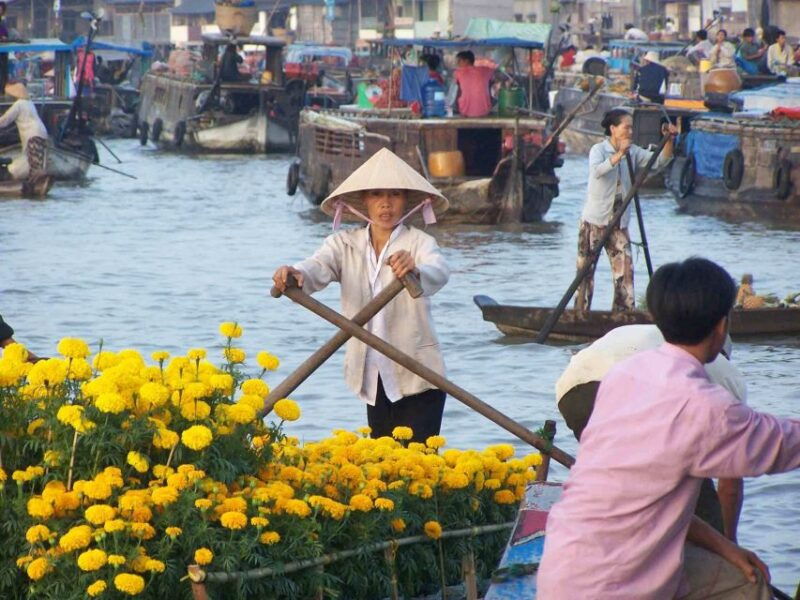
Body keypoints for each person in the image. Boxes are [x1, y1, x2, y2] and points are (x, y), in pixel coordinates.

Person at [539, 257, 800, 598]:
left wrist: (725, 547)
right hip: (614, 585)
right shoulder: (705, 406)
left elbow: (648, 500)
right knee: (751, 589)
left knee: (734, 575)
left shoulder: (626, 374)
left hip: (562, 566)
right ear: (721, 326)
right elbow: (783, 444)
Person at [271, 148, 450, 443]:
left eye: (394, 194)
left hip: (420, 375)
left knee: (421, 468)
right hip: (373, 375)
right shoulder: (344, 244)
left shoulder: (419, 242)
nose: (386, 204)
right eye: (377, 195)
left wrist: (414, 270)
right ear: (365, 201)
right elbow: (318, 266)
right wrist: (296, 272)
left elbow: (439, 271)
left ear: (405, 200)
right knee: (381, 463)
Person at [556, 324, 747, 541]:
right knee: (700, 508)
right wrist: (729, 542)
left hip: (572, 393)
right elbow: (730, 483)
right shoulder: (725, 374)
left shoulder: (653, 336)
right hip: (624, 391)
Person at [574, 109, 675, 312]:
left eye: (631, 127)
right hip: (594, 221)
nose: (630, 131)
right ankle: (580, 313)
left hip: (619, 223)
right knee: (585, 273)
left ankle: (623, 315)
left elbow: (659, 161)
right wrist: (619, 155)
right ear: (613, 129)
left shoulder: (634, 151)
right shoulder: (599, 150)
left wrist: (669, 139)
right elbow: (597, 172)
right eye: (626, 127)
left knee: (625, 273)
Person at [0, 82, 48, 180]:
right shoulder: (29, 103)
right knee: (37, 164)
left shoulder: (18, 104)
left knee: (34, 165)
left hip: (33, 135)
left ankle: (33, 185)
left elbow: (5, 120)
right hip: (42, 133)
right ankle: (34, 184)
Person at [453, 51, 494, 118]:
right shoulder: (486, 70)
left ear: (466, 61)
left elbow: (459, 91)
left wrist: (456, 107)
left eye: (459, 61)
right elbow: (490, 83)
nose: (457, 63)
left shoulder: (458, 73)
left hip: (465, 111)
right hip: (485, 110)